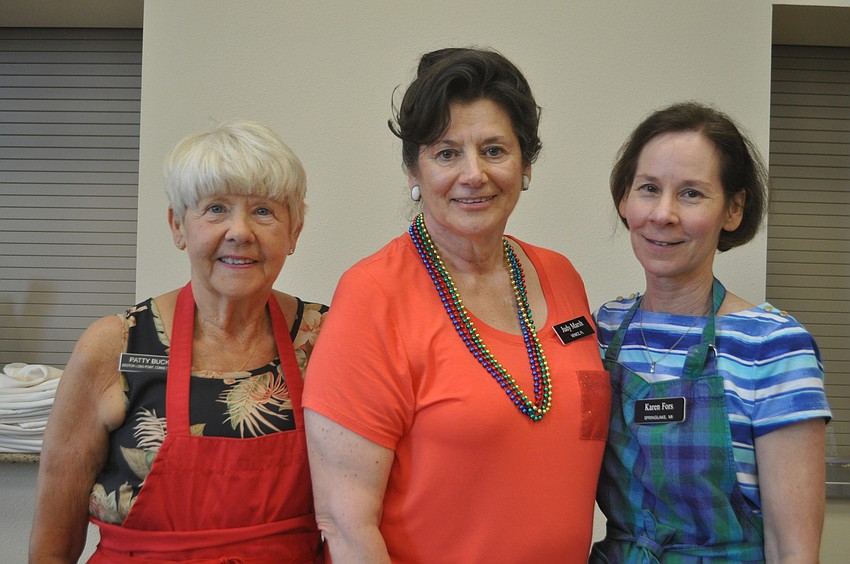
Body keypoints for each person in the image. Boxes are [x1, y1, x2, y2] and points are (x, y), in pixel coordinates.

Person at [302, 47, 610, 563]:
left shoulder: (560, 276)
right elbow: (344, 522)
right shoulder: (374, 295)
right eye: (447, 153)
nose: (473, 174)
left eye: (494, 150)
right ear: (413, 172)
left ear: (526, 163)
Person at [29, 120, 327, 563]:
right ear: (177, 226)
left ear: (295, 231)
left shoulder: (327, 339)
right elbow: (52, 548)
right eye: (215, 209)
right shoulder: (113, 345)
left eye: (264, 211)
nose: (240, 231)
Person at [591, 102, 832, 563]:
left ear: (733, 209)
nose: (663, 214)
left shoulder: (774, 346)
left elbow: (793, 551)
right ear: (625, 199)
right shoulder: (603, 328)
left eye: (691, 194)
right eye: (648, 189)